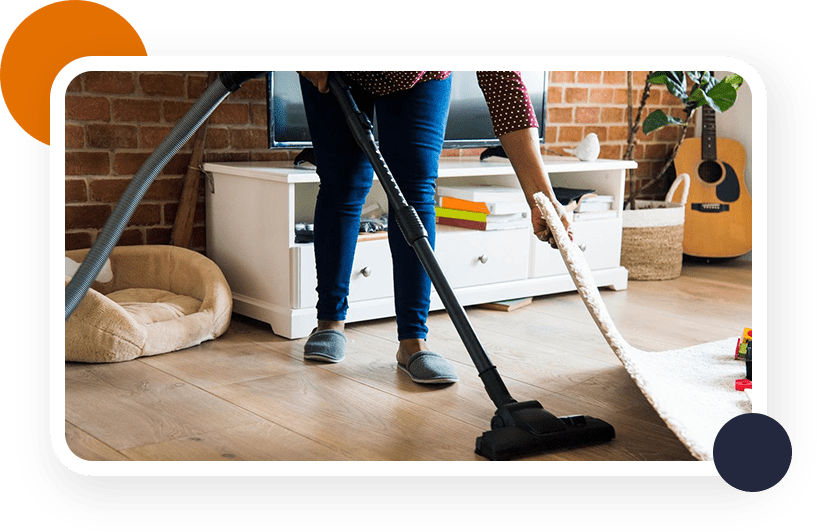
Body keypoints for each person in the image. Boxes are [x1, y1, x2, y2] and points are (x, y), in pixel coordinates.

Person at [297, 71, 572, 385]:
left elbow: (506, 90)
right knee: (343, 182)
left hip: (419, 77)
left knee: (413, 191)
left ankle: (413, 341)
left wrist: (542, 198)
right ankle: (330, 321)